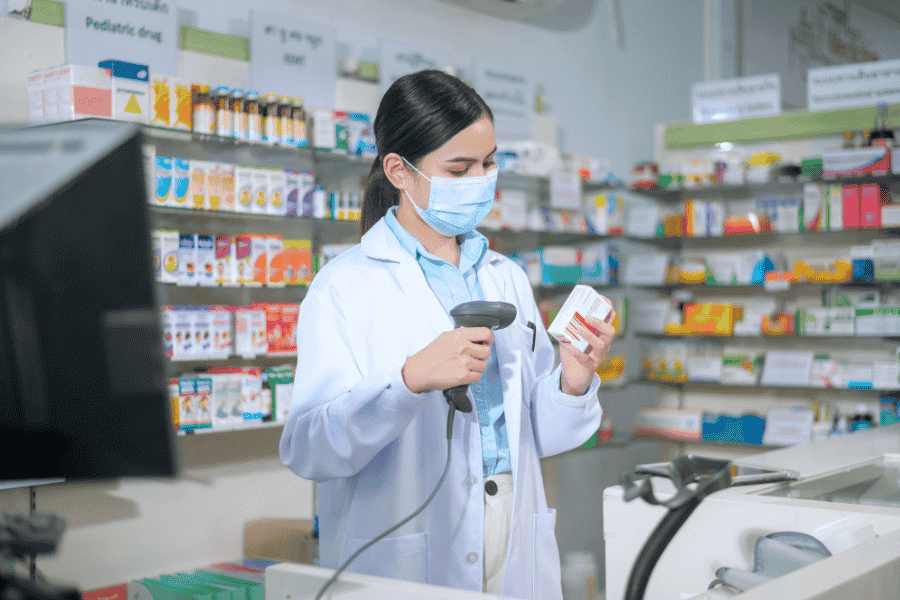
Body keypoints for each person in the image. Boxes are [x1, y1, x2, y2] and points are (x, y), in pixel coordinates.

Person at [279, 70, 616, 600]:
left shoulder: (504, 275)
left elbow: (535, 436)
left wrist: (572, 382)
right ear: (399, 171)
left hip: (511, 525)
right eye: (458, 169)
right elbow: (308, 450)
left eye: (488, 163)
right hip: (407, 547)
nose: (480, 180)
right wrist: (407, 381)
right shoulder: (344, 285)